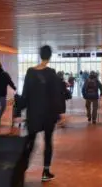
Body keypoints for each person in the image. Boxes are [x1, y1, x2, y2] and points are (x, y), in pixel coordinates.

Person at [16, 45, 64, 182]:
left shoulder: (30, 72)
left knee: (30, 143)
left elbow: (24, 95)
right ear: (49, 57)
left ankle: (21, 171)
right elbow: (56, 96)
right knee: (48, 142)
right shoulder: (52, 73)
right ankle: (46, 171)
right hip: (48, 115)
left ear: (40, 55)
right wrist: (60, 114)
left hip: (33, 114)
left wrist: (18, 112)